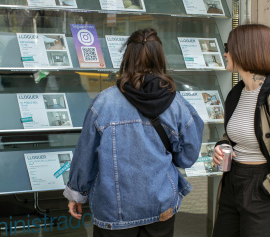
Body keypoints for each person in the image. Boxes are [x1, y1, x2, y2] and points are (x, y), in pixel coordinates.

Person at [63, 27, 204, 237]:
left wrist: (77, 193)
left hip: (114, 212)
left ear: (127, 57)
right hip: (160, 206)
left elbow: (86, 156)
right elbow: (187, 157)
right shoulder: (177, 104)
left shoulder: (104, 103)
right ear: (160, 57)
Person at [212, 24, 270, 237]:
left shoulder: (268, 96)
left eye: (229, 47)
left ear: (246, 50)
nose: (225, 53)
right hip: (233, 180)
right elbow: (233, 135)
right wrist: (222, 146)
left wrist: (266, 187)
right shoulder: (236, 94)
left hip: (261, 185)